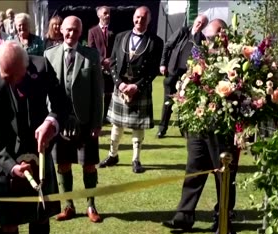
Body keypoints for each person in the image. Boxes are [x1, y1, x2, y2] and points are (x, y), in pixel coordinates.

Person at [0, 40, 68, 234]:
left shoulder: (42, 67)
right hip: (3, 161)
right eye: (7, 77)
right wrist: (10, 166)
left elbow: (61, 103)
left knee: (41, 214)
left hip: (38, 154)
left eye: (17, 75)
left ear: (26, 64)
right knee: (8, 222)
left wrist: (51, 121)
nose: (13, 81)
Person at [162, 18, 238, 232]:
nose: (209, 42)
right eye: (207, 38)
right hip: (199, 124)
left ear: (224, 36)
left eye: (213, 38)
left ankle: (224, 218)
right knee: (193, 170)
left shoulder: (234, 62)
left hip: (221, 127)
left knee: (224, 174)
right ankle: (183, 216)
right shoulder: (200, 57)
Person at [44, 16, 104, 223]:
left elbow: (98, 93)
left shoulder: (91, 55)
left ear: (81, 32)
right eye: (68, 30)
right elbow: (46, 92)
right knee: (63, 164)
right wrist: (49, 120)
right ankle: (68, 206)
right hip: (59, 121)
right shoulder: (49, 54)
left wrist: (97, 123)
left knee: (88, 164)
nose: (71, 34)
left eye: (75, 31)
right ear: (61, 29)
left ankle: (91, 206)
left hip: (85, 121)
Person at [99, 6, 163, 173]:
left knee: (137, 125)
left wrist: (137, 86)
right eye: (137, 17)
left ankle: (136, 160)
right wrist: (119, 83)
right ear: (133, 18)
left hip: (139, 88)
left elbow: (153, 69)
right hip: (120, 86)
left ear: (149, 20)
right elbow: (112, 62)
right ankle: (113, 155)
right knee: (116, 124)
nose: (139, 20)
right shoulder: (121, 37)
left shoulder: (155, 42)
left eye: (143, 18)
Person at [157, 15, 208, 139]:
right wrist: (163, 64)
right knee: (168, 101)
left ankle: (183, 129)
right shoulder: (183, 31)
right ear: (195, 21)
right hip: (173, 72)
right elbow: (168, 46)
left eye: (203, 24)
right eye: (199, 22)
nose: (199, 25)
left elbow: (202, 58)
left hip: (187, 76)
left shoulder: (202, 39)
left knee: (184, 103)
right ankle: (162, 129)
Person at [88, 6, 115, 124]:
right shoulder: (92, 31)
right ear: (99, 15)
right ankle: (96, 115)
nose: (107, 15)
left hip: (112, 66)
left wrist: (111, 60)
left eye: (109, 13)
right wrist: (102, 60)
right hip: (98, 66)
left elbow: (117, 47)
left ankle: (106, 116)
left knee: (109, 93)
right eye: (105, 13)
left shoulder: (114, 30)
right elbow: (91, 48)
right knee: (97, 92)